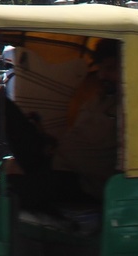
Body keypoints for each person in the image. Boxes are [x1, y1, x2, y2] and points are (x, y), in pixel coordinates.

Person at [52, 38, 121, 202]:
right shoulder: (99, 98)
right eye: (100, 69)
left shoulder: (130, 107)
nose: (102, 75)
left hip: (94, 184)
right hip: (70, 171)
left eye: (110, 69)